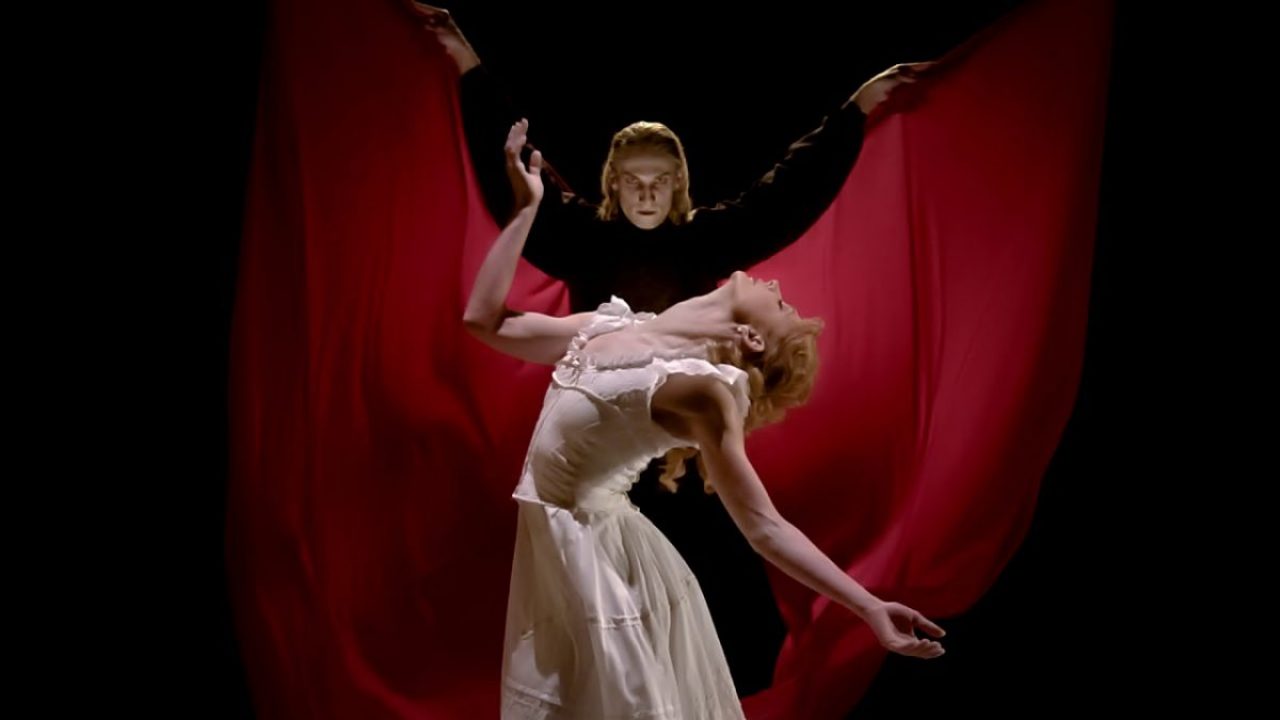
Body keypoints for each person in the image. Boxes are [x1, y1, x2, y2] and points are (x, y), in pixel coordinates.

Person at [465, 119, 944, 719]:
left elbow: (764, 527)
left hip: (602, 570)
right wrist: (525, 211)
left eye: (780, 303)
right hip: (567, 552)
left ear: (750, 337)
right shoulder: (613, 323)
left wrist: (867, 606)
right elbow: (485, 321)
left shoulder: (702, 391)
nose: (774, 282)